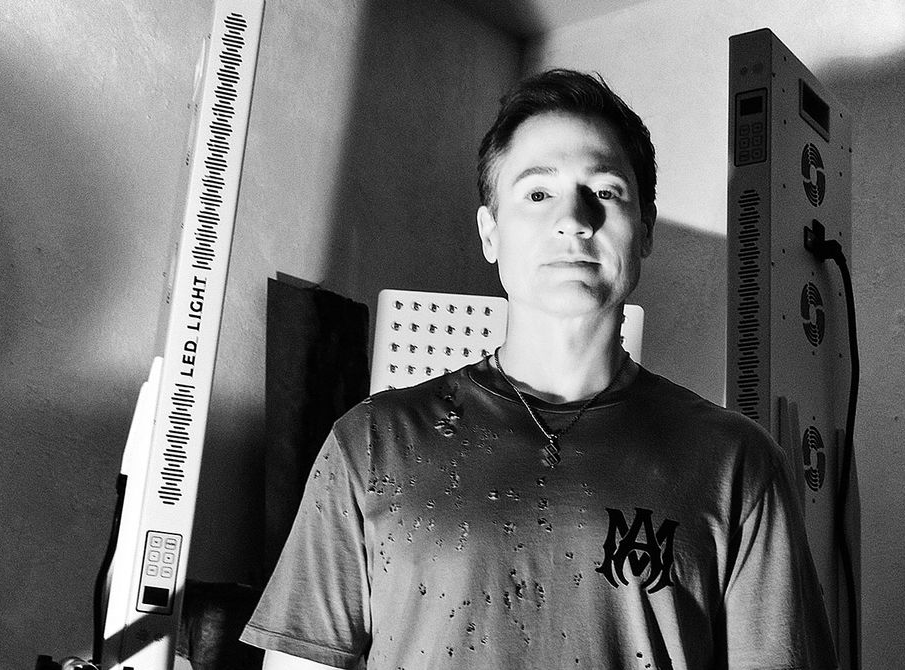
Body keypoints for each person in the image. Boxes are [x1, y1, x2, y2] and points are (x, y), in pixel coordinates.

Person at [241, 68, 837, 669]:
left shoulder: (736, 464)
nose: (574, 218)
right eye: (536, 194)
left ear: (645, 231)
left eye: (606, 191)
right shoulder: (371, 444)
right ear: (490, 233)